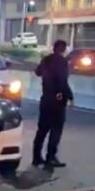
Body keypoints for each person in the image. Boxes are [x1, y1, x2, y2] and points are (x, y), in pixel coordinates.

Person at [32, 39, 73, 168]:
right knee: (56, 129)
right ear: (63, 49)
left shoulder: (46, 59)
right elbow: (62, 81)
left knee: (42, 130)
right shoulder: (62, 61)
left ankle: (36, 157)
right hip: (57, 101)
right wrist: (69, 96)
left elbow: (37, 72)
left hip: (45, 99)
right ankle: (51, 157)